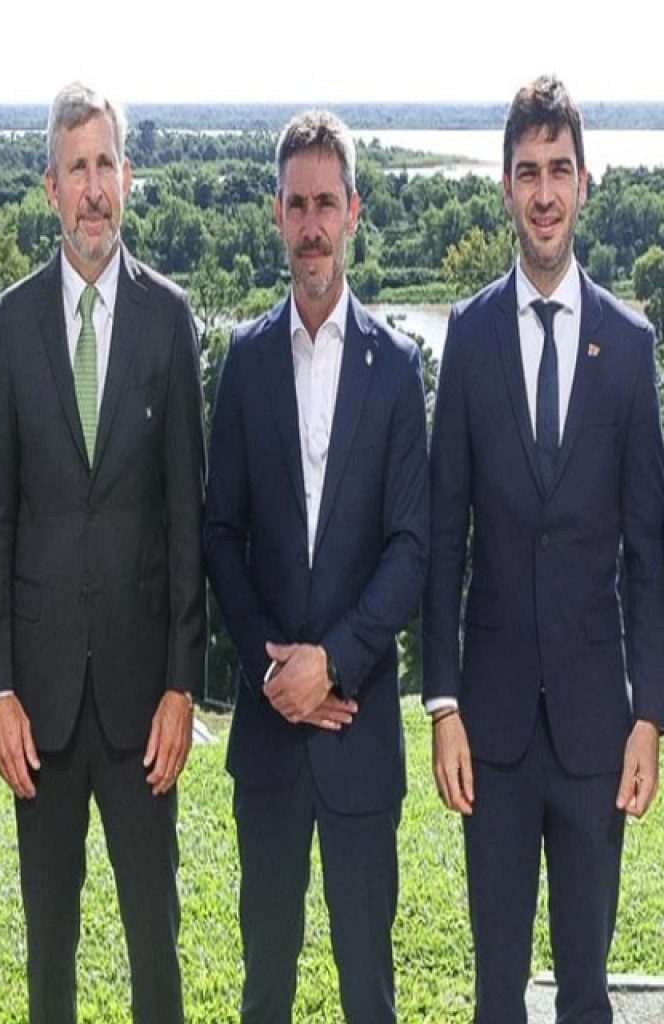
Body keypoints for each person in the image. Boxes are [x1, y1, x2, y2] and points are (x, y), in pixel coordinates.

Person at [423, 74, 664, 1024]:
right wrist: (443, 703)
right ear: (506, 187)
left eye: (560, 169)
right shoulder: (470, 333)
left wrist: (650, 718)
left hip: (599, 728)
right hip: (490, 730)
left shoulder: (631, 345)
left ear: (585, 183)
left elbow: (649, 550)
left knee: (588, 995)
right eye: (528, 172)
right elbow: (444, 535)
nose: (545, 191)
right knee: (496, 994)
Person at [0, 81, 206, 1024]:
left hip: (143, 704)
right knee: (49, 952)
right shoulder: (9, 324)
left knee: (156, 942)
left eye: (107, 164)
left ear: (128, 176)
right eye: (77, 168)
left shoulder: (169, 319)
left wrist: (184, 686)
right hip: (39, 708)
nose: (95, 187)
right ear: (50, 187)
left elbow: (188, 521)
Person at [204, 110, 428, 1024]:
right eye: (296, 205)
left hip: (358, 734)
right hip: (268, 738)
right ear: (276, 214)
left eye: (326, 204)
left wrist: (331, 664)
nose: (311, 226)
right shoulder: (245, 361)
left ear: (353, 212)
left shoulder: (398, 368)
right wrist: (275, 669)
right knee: (266, 986)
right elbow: (221, 534)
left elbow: (411, 546)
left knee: (369, 990)